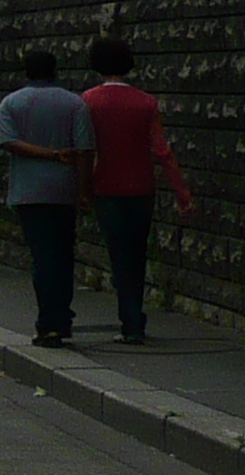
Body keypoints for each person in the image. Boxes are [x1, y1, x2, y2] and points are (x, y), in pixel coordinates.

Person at [82, 37, 195, 343]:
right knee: (137, 253)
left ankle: (130, 321)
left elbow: (85, 150)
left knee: (118, 254)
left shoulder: (88, 101)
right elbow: (162, 152)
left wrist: (81, 189)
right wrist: (181, 192)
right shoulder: (146, 102)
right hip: (141, 187)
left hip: (105, 186)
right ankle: (135, 320)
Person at [0, 49, 95, 346]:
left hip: (28, 191)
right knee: (63, 255)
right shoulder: (75, 103)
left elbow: (9, 142)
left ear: (26, 72)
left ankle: (48, 323)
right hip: (64, 190)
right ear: (55, 71)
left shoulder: (11, 103)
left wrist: (48, 154)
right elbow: (85, 150)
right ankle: (62, 318)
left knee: (42, 258)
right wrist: (85, 192)